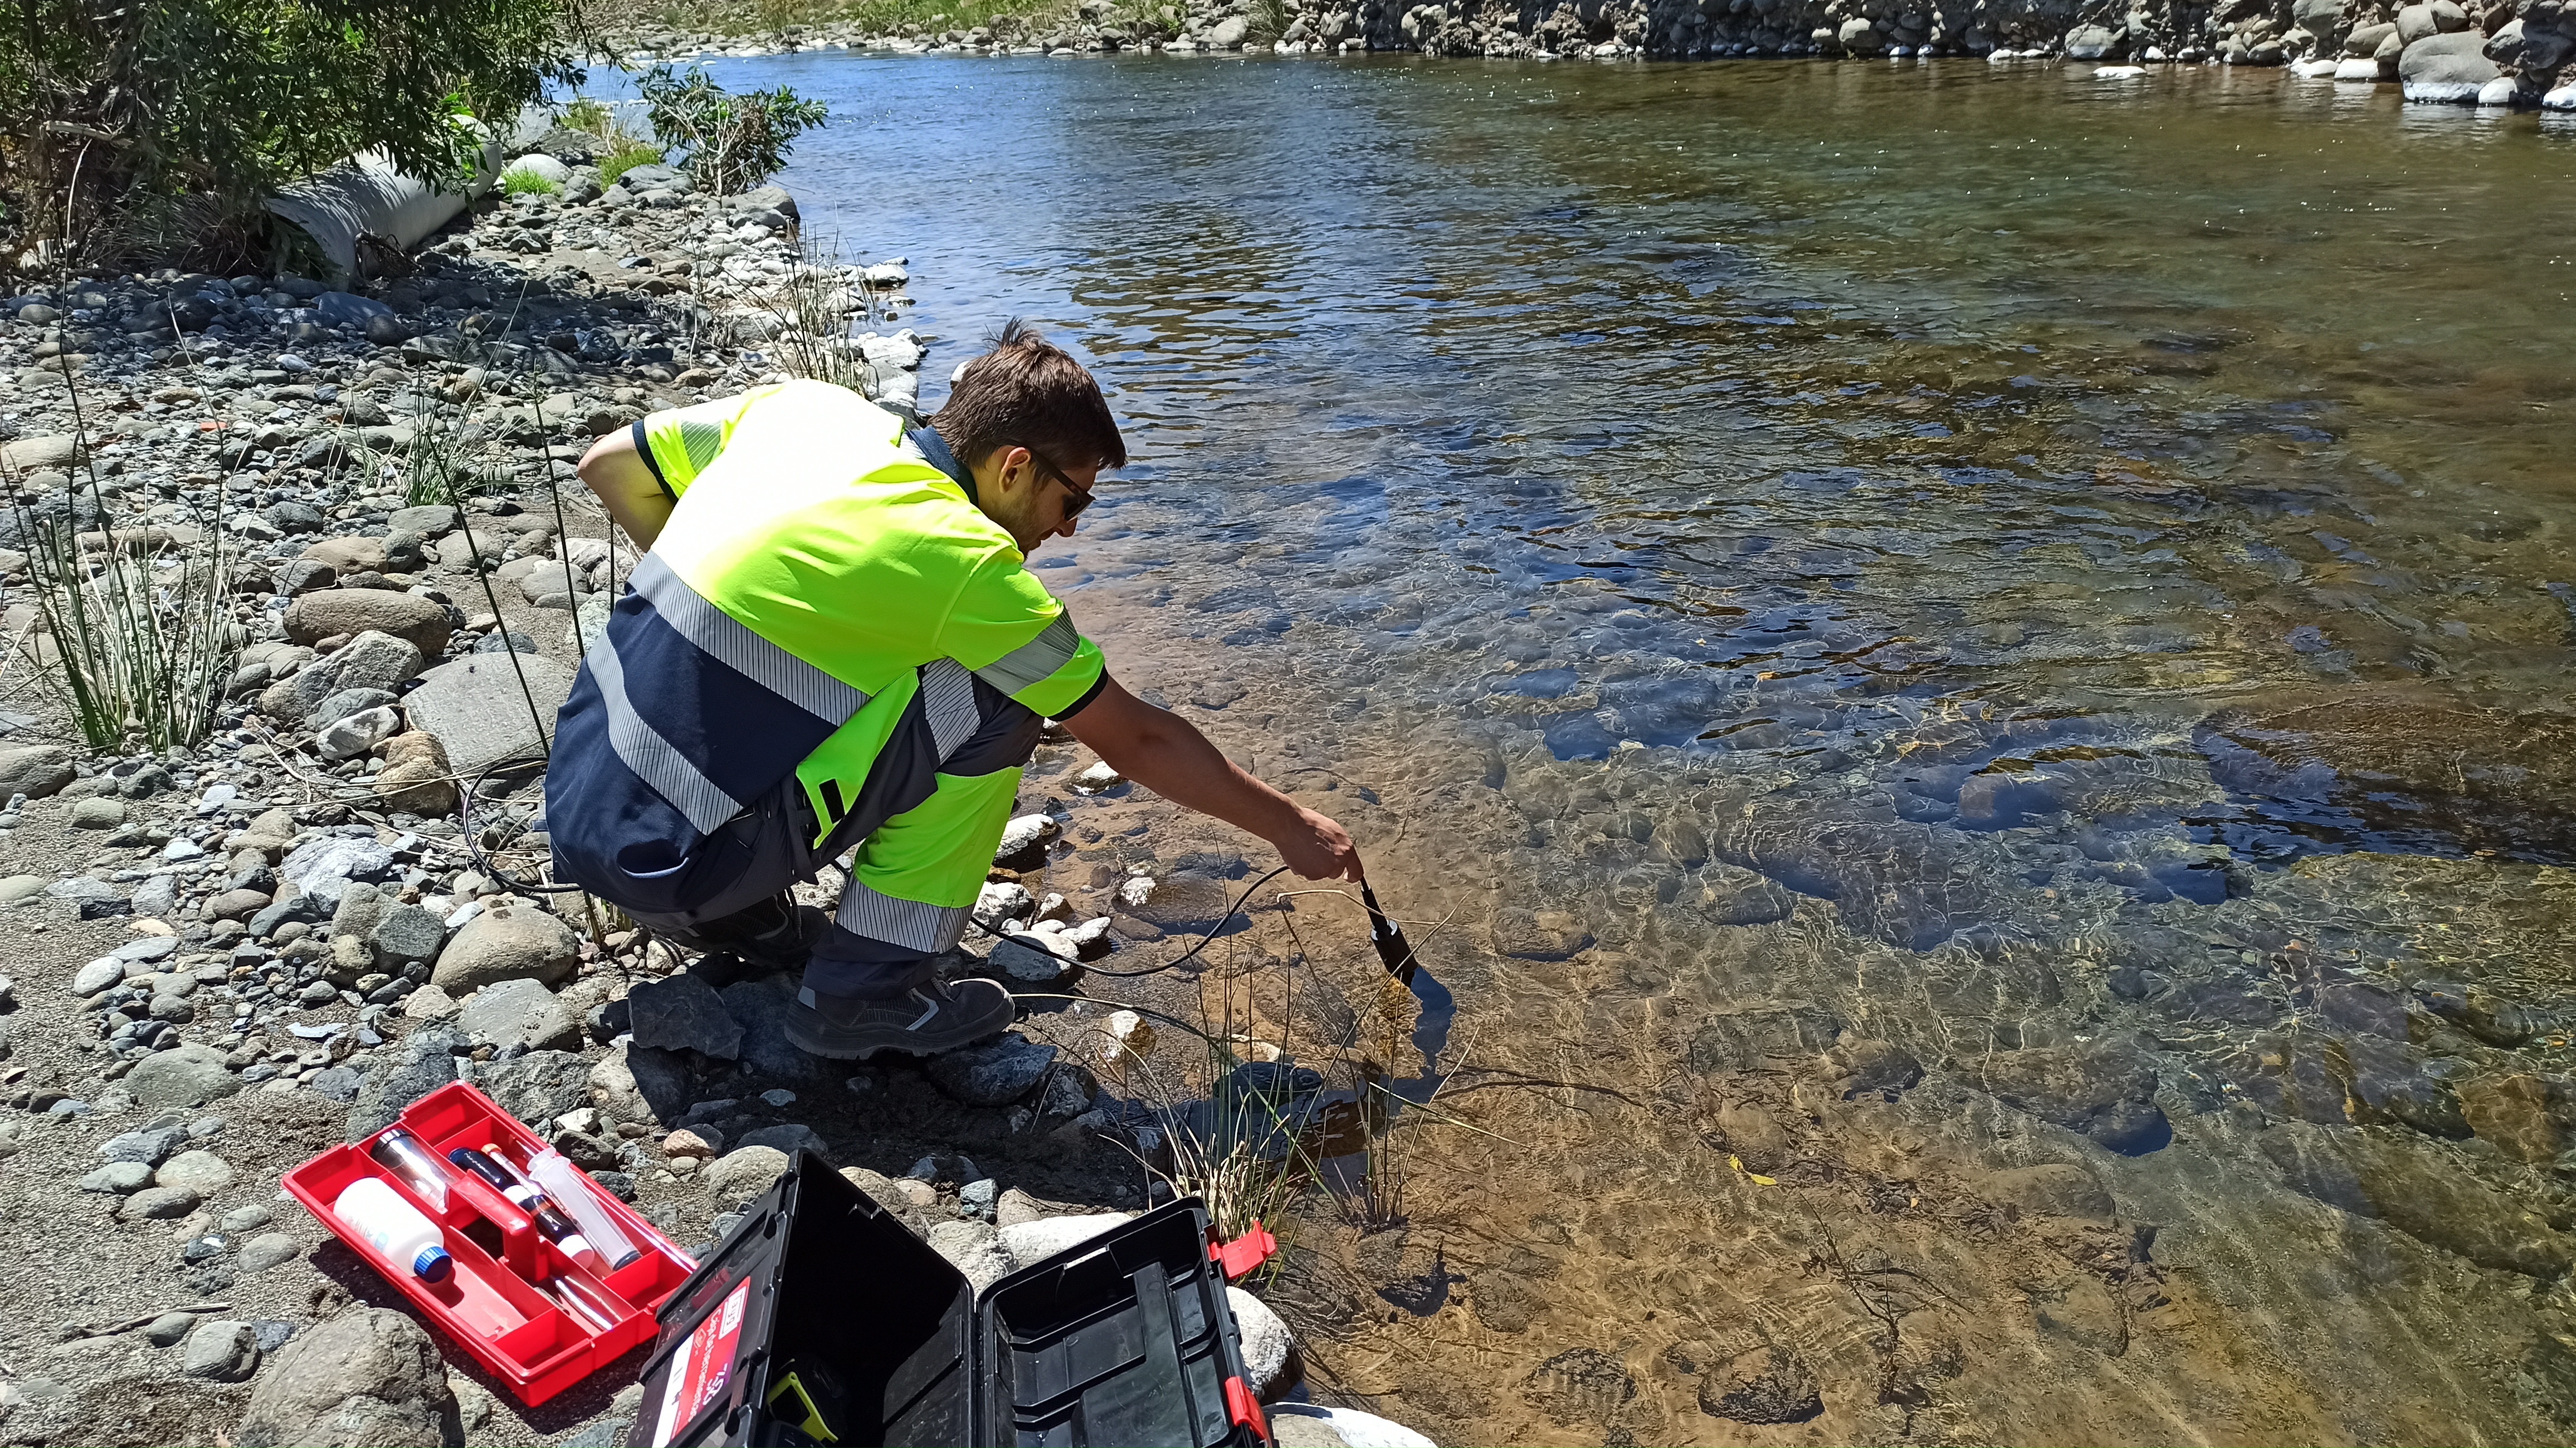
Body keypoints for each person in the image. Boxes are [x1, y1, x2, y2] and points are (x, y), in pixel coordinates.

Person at [545, 322, 1362, 1060]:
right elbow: (1135, 738)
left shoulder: (806, 413)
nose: (1070, 527)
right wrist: (1288, 826)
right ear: (1014, 466)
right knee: (1002, 701)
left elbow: (608, 464)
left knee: (883, 678)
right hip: (670, 860)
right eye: (1070, 499)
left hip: (579, 809)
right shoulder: (965, 560)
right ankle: (863, 996)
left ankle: (730, 912)